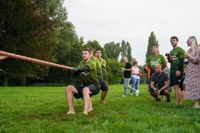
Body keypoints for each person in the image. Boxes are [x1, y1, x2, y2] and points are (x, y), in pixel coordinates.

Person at [65, 48, 100, 115]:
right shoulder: (81, 63)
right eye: (82, 53)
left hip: (95, 85)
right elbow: (75, 74)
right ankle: (71, 110)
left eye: (85, 53)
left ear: (90, 55)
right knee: (69, 88)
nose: (83, 55)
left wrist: (78, 69)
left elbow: (86, 68)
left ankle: (85, 111)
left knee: (85, 89)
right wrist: (75, 71)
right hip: (85, 85)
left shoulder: (92, 62)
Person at [167, 36, 185, 104]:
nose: (172, 41)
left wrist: (179, 70)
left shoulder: (180, 50)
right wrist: (169, 59)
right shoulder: (171, 51)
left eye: (174, 40)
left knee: (177, 86)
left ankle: (177, 103)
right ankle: (180, 102)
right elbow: (172, 61)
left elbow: (182, 61)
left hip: (178, 71)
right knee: (175, 87)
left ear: (177, 41)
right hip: (172, 70)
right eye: (171, 40)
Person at [184, 36, 200, 108]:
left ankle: (198, 103)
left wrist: (188, 56)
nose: (186, 42)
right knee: (193, 87)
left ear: (192, 41)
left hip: (197, 71)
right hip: (190, 72)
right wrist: (185, 61)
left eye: (188, 41)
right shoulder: (189, 50)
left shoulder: (198, 49)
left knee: (198, 87)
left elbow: (197, 60)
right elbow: (186, 61)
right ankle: (197, 102)